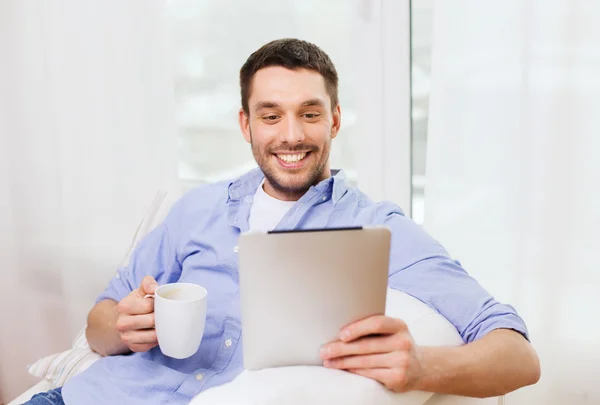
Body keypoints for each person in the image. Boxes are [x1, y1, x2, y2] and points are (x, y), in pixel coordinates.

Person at [22, 38, 540, 405]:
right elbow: (97, 326)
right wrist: (122, 324)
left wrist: (423, 367)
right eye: (271, 115)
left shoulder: (376, 227)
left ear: (335, 119)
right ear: (246, 124)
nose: (291, 135)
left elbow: (518, 358)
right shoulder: (196, 209)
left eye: (309, 114)